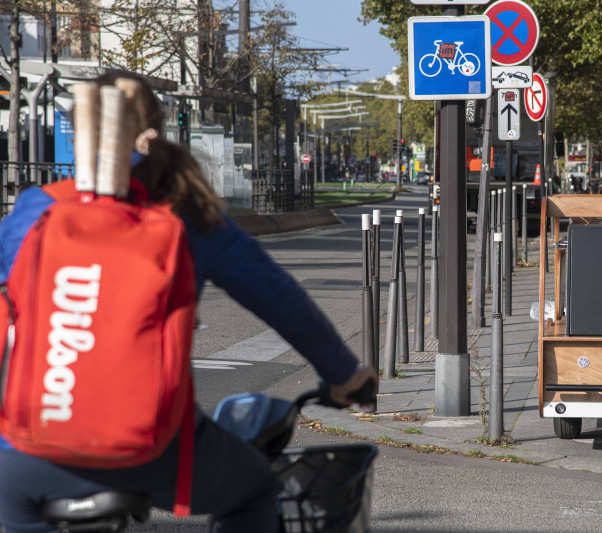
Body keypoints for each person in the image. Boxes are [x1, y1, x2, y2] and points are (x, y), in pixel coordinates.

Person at [0, 73, 377, 532]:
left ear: (77, 131)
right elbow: (278, 298)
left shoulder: (35, 209)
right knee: (256, 489)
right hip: (154, 449)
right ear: (156, 129)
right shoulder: (181, 210)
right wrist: (344, 376)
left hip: (24, 452)